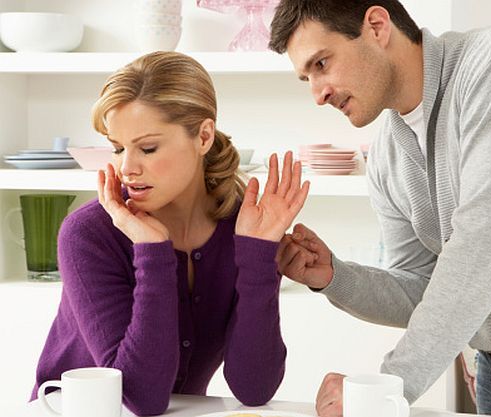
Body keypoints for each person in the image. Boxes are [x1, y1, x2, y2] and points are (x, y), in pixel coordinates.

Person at [269, 1, 491, 416]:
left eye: (321, 63)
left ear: (376, 26)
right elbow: (423, 286)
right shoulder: (388, 155)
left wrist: (386, 388)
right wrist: (335, 276)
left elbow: (482, 248)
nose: (318, 94)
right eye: (306, 78)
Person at [31, 51, 310, 415]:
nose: (127, 168)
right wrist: (152, 251)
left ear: (204, 136)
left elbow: (254, 388)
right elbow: (140, 397)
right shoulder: (89, 234)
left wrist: (259, 255)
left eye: (147, 148)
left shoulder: (243, 225)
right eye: (117, 148)